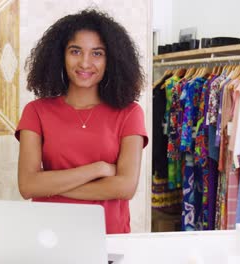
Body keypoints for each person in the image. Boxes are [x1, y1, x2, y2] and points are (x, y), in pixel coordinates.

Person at [15, 8, 148, 234]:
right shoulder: (36, 111)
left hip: (110, 238)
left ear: (111, 60)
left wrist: (50, 187)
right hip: (50, 235)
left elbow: (125, 187)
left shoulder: (130, 113)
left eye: (97, 53)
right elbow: (28, 186)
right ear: (60, 56)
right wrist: (98, 169)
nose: (85, 63)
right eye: (75, 51)